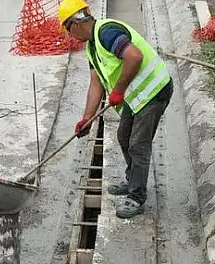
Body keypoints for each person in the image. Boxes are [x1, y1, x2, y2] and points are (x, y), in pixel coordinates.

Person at [59, 0, 172, 219]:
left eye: (67, 29)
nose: (70, 35)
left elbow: (134, 56)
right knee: (124, 136)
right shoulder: (92, 46)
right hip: (137, 96)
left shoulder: (106, 33)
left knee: (138, 145)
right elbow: (96, 84)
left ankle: (137, 196)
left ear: (75, 23)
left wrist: (118, 90)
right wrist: (87, 119)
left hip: (155, 90)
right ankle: (133, 180)